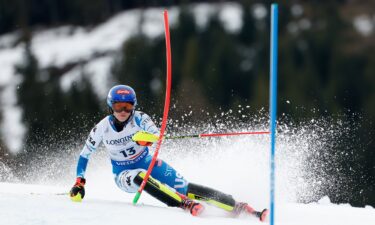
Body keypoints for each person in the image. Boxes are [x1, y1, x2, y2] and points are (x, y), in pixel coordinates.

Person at [69, 84, 268, 221]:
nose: (123, 111)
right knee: (140, 177)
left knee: (185, 185)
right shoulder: (101, 128)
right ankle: (184, 204)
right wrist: (80, 181)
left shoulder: (140, 118)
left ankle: (239, 207)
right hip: (123, 174)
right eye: (118, 106)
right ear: (110, 106)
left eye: (128, 106)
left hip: (148, 162)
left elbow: (157, 135)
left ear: (134, 106)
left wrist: (147, 138)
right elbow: (85, 154)